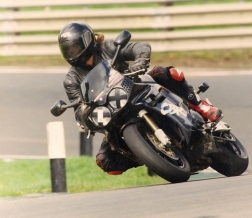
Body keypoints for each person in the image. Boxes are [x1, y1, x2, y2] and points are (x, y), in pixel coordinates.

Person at [58, 21, 223, 175]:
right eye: (68, 50)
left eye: (74, 48)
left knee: (164, 73)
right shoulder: (71, 80)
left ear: (87, 42)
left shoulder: (107, 48)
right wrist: (85, 113)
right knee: (105, 161)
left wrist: (140, 60)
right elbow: (78, 110)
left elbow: (140, 47)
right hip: (113, 114)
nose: (72, 53)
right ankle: (150, 155)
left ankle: (201, 106)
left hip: (136, 89)